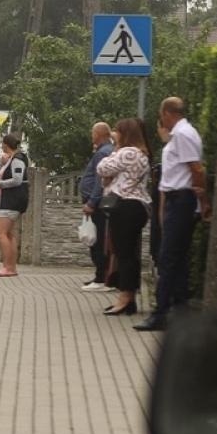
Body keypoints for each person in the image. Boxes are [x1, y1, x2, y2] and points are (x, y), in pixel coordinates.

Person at [137, 97, 210, 332]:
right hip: (176, 200)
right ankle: (180, 311)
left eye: (161, 114)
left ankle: (161, 313)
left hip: (182, 200)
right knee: (176, 259)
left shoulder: (183, 134)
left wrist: (202, 201)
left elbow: (197, 169)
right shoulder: (178, 135)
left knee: (168, 257)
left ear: (167, 113)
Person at [97, 117, 152, 318]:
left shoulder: (128, 152)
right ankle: (129, 298)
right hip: (135, 207)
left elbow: (102, 168)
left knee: (124, 254)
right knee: (129, 254)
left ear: (125, 133)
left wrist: (114, 151)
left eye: (117, 131)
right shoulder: (141, 154)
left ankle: (125, 297)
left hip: (125, 206)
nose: (114, 134)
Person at [80, 121, 115, 292]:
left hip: (97, 204)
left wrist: (91, 202)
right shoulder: (105, 151)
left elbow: (99, 181)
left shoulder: (103, 153)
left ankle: (101, 277)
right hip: (99, 202)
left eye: (93, 133)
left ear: (98, 134)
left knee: (98, 241)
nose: (91, 136)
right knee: (100, 240)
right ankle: (100, 275)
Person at [0, 133, 28, 277]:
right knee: (9, 234)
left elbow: (17, 180)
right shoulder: (12, 159)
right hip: (9, 200)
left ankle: (7, 266)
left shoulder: (17, 159)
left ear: (6, 144)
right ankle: (11, 267)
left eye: (2, 143)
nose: (1, 146)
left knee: (0, 232)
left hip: (11, 201)